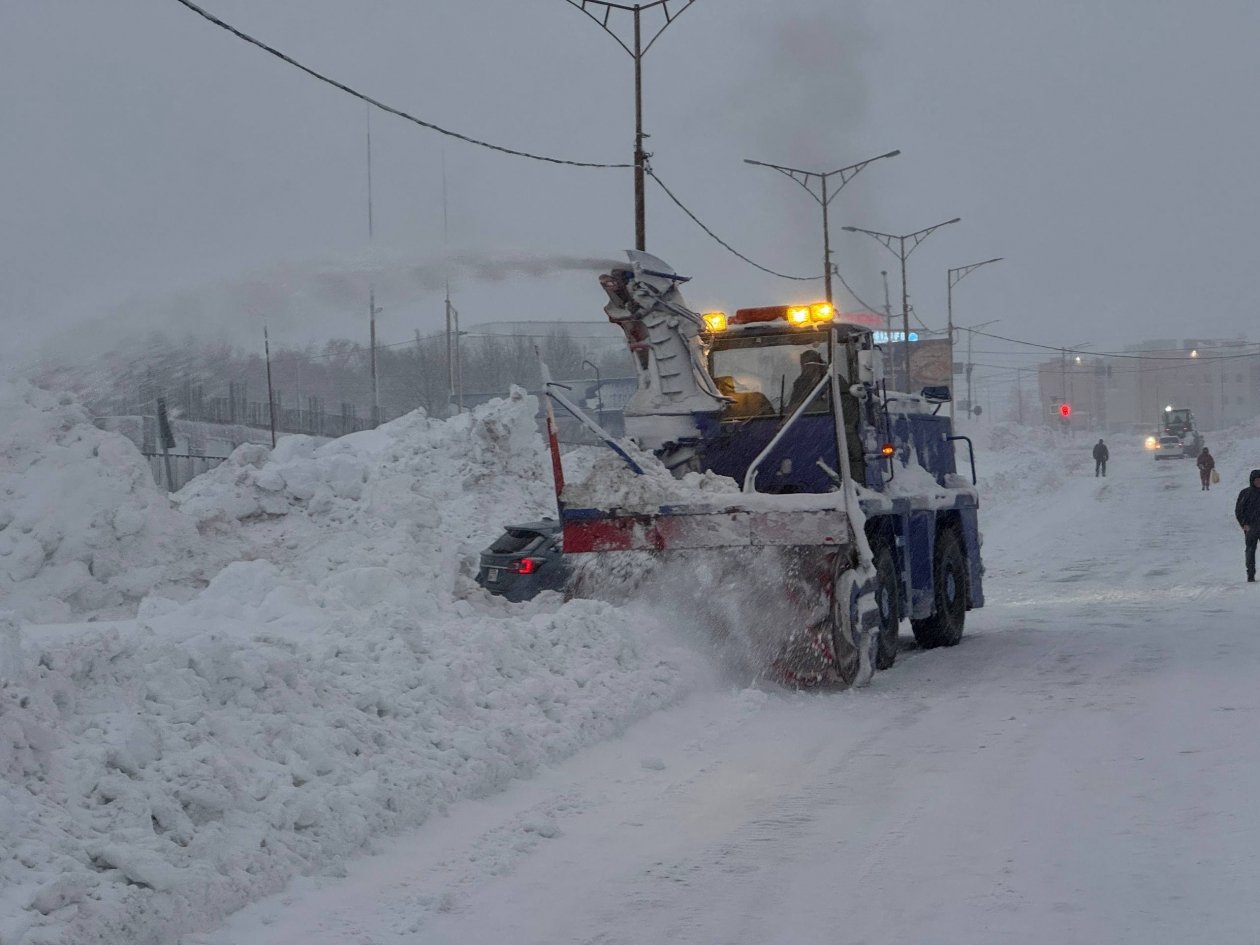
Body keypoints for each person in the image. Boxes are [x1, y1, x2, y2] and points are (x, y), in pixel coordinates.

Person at [1235, 469, 1260, 583]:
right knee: (1250, 550)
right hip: (1251, 527)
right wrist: (1244, 524)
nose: (1259, 482)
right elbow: (1239, 511)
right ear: (1252, 481)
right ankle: (1250, 574)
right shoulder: (1245, 493)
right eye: (1257, 480)